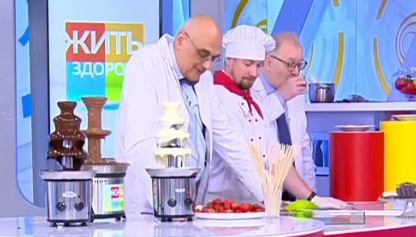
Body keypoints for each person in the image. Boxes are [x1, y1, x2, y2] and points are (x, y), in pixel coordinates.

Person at [115, 15, 264, 215]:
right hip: (152, 209)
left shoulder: (204, 80)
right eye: (203, 55)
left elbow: (230, 140)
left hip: (188, 206)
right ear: (180, 41)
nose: (208, 65)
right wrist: (172, 204)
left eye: (213, 58)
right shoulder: (146, 63)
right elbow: (142, 146)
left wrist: (267, 195)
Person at [210, 25, 345, 208]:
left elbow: (276, 155)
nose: (254, 73)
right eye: (248, 64)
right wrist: (274, 200)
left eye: (258, 65)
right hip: (221, 207)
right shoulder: (217, 97)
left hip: (255, 207)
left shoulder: (251, 100)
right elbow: (241, 158)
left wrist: (312, 198)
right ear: (229, 61)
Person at [252, 31, 316, 195]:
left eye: (300, 65)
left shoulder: (294, 96)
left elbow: (304, 149)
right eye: (290, 64)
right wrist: (280, 97)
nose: (296, 72)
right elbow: (254, 124)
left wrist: (312, 198)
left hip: (296, 197)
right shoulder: (250, 89)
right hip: (264, 194)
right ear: (268, 62)